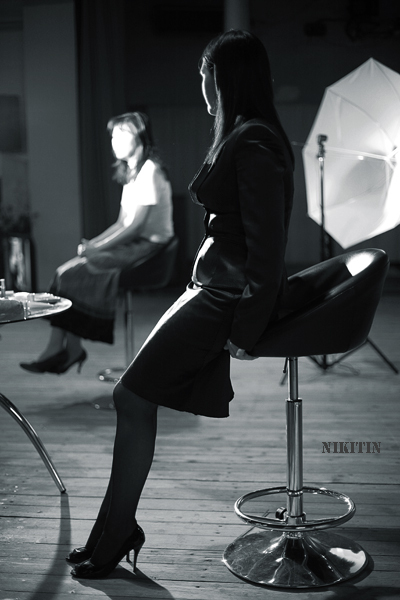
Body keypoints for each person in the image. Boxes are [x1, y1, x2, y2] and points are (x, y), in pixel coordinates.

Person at [68, 29, 295, 579]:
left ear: (223, 78)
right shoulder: (246, 133)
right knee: (131, 398)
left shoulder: (255, 139)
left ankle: (116, 529)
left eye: (204, 76)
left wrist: (246, 327)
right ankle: (112, 528)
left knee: (130, 396)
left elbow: (268, 249)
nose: (201, 86)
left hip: (222, 296)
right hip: (209, 287)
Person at [20, 112, 174, 374]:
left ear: (140, 136)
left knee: (69, 273)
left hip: (150, 249)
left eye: (123, 134)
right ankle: (67, 347)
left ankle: (65, 349)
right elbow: (121, 223)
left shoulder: (150, 171)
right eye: (113, 135)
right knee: (66, 272)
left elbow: (135, 227)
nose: (115, 141)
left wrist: (97, 249)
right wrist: (93, 244)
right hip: (135, 243)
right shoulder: (133, 172)